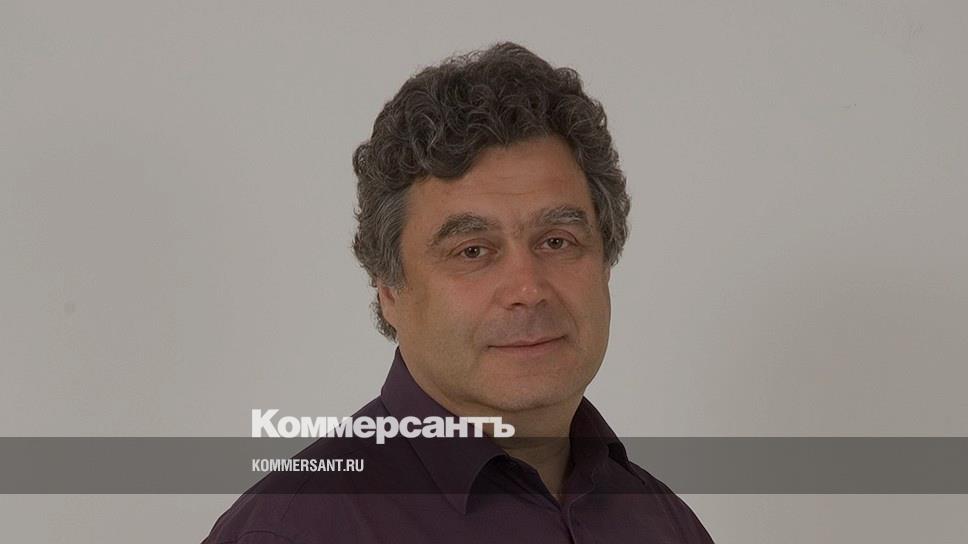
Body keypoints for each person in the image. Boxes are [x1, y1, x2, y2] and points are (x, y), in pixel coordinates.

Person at [202, 42, 714, 543]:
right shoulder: (293, 531)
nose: (528, 289)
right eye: (472, 251)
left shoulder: (665, 523)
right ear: (389, 289)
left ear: (605, 264)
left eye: (557, 241)